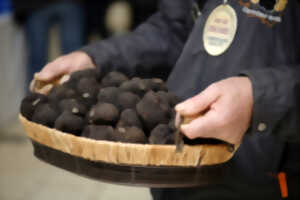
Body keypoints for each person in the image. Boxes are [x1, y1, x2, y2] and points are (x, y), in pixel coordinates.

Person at [33, 0, 300, 199]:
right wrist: (98, 58)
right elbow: (176, 29)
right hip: (179, 173)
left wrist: (260, 99)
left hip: (271, 180)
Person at [12, 0, 85, 87]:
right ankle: (35, 97)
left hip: (38, 6)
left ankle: (78, 93)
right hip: (34, 6)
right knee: (37, 60)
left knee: (75, 56)